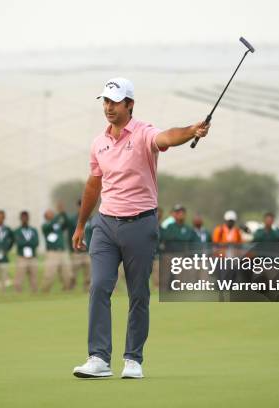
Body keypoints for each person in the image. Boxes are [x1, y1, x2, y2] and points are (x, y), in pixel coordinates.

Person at [71, 77, 210, 379]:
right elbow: (94, 184)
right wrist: (81, 224)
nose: (108, 107)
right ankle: (98, 357)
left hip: (140, 224)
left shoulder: (144, 133)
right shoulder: (99, 142)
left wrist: (190, 131)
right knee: (98, 287)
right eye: (105, 101)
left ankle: (133, 359)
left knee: (138, 295)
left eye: (114, 101)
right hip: (105, 225)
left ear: (129, 104)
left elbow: (167, 138)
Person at [41, 208, 71, 293]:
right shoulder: (45, 226)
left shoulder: (58, 225)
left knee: (67, 273)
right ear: (46, 216)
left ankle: (67, 290)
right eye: (49, 214)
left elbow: (67, 223)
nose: (52, 215)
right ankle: (45, 291)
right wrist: (59, 214)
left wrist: (63, 213)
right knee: (49, 274)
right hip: (52, 253)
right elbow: (51, 225)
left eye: (52, 213)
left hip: (62, 251)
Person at [67, 199, 92, 292]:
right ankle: (71, 290)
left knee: (88, 274)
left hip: (87, 251)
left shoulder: (91, 219)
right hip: (76, 252)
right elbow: (69, 232)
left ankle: (87, 290)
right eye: (80, 206)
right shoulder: (73, 219)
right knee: (73, 274)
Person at [13, 211, 39, 293]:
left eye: (26, 217)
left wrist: (25, 242)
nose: (24, 219)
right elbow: (19, 243)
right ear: (20, 218)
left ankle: (34, 294)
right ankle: (18, 294)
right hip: (22, 257)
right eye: (23, 217)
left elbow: (36, 242)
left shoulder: (33, 230)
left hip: (32, 257)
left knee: (34, 278)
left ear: (28, 218)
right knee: (19, 278)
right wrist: (29, 242)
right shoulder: (17, 230)